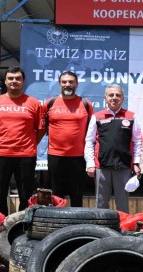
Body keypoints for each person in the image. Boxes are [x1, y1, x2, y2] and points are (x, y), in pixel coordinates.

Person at [0, 66, 43, 215]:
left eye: (18, 78)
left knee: (26, 195)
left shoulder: (34, 103)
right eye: (10, 78)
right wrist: (1, 141)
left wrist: (29, 144)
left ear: (23, 81)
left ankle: (24, 227)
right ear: (5, 81)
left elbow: (41, 129)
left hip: (26, 156)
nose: (14, 81)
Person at [84, 84, 142, 213]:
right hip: (101, 166)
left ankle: (124, 230)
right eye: (111, 95)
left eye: (118, 95)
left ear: (123, 98)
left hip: (124, 166)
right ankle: (100, 230)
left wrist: (136, 162)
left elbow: (138, 141)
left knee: (122, 204)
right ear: (105, 98)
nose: (114, 98)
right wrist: (90, 163)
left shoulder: (132, 116)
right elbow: (89, 141)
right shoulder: (97, 116)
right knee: (101, 202)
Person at [41, 71, 93, 207]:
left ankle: (76, 225)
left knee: (77, 194)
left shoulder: (86, 104)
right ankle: (57, 225)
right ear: (60, 84)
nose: (67, 84)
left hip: (78, 156)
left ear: (76, 84)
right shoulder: (50, 103)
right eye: (64, 82)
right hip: (55, 155)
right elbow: (43, 127)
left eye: (71, 82)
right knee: (56, 195)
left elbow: (91, 131)